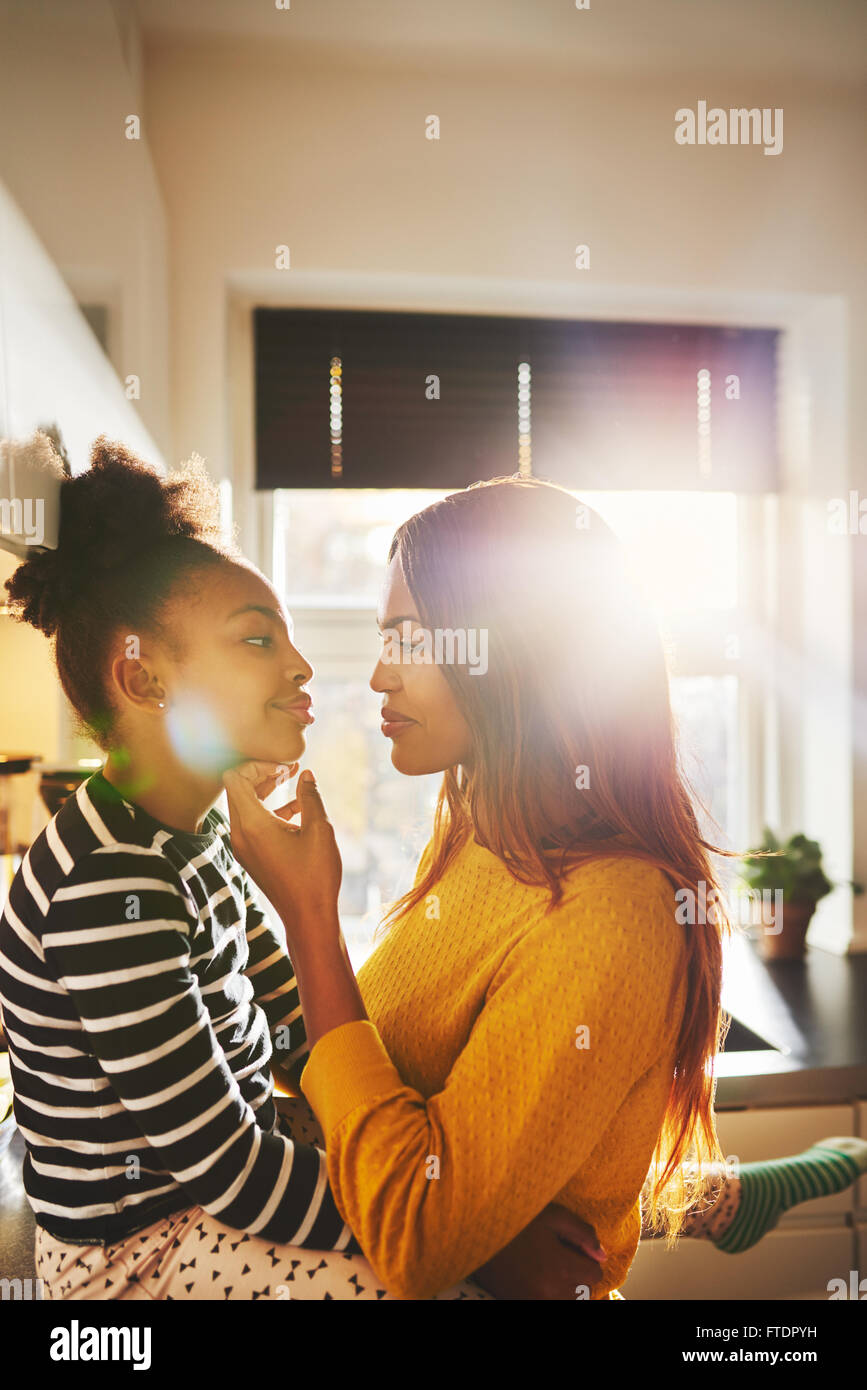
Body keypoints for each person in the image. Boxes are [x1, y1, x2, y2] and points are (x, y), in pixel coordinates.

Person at [2, 435, 864, 1301]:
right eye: (259, 641)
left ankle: (699, 1197)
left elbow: (354, 1091)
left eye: (405, 639)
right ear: (143, 677)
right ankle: (703, 1199)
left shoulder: (611, 908)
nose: (362, 673)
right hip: (150, 1247)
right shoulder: (471, 834)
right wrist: (303, 916)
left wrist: (307, 915)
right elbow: (379, 1100)